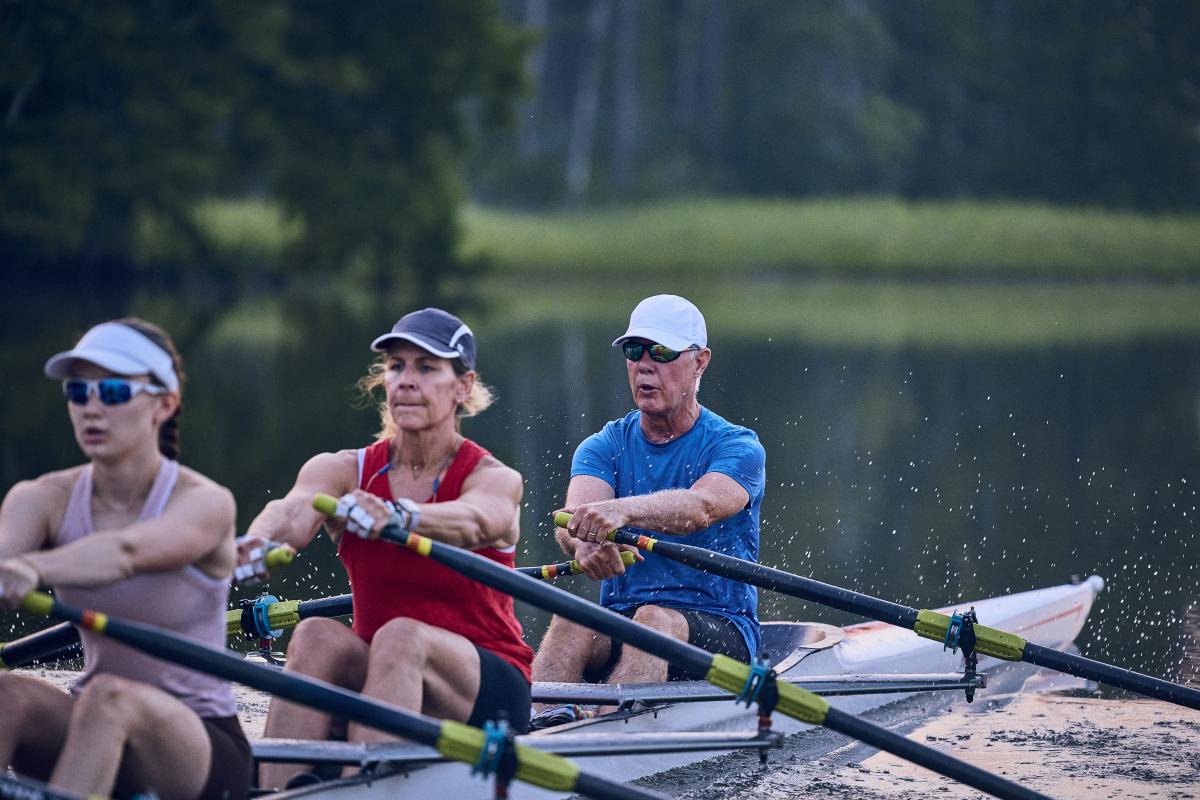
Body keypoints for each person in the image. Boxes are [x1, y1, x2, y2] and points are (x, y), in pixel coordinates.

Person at [242, 308, 533, 790]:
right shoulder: (343, 471)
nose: (405, 381)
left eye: (426, 367)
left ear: (463, 386)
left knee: (402, 635)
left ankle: (362, 785)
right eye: (396, 367)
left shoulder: (492, 478)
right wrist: (256, 543)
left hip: (486, 684)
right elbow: (289, 513)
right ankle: (276, 787)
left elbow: (480, 519)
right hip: (387, 673)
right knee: (314, 634)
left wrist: (403, 517)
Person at [0, 319, 252, 800]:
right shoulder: (39, 498)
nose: (91, 408)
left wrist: (36, 569)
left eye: (113, 391)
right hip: (89, 729)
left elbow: (126, 552)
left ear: (164, 404)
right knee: (6, 694)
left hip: (200, 747)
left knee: (108, 697)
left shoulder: (205, 502)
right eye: (79, 392)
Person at [530, 294, 766, 727]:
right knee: (572, 618)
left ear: (700, 362)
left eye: (661, 352)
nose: (644, 365)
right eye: (633, 351)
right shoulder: (604, 445)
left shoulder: (736, 446)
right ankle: (540, 725)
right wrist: (581, 544)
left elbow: (702, 507)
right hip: (627, 622)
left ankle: (611, 735)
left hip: (721, 631)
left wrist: (620, 513)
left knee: (654, 620)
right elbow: (573, 518)